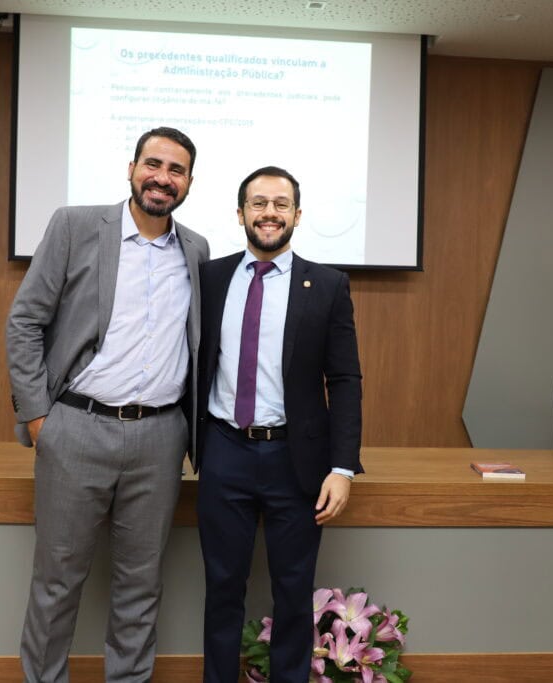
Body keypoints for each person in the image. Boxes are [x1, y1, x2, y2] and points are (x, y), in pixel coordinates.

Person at [6, 127, 209, 683]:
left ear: (189, 182)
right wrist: (39, 418)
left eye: (176, 170)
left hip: (160, 438)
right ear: (131, 168)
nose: (162, 177)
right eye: (153, 163)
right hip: (76, 427)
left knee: (141, 585)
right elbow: (25, 321)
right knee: (57, 579)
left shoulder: (195, 249)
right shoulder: (75, 226)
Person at [195, 166, 363, 683]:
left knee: (294, 590)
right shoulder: (210, 277)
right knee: (223, 586)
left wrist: (342, 467)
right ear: (241, 212)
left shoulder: (328, 284)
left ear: (297, 214)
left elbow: (346, 377)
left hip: (297, 460)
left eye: (281, 203)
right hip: (224, 450)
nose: (270, 213)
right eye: (259, 202)